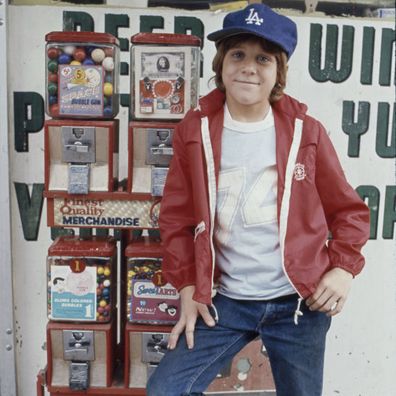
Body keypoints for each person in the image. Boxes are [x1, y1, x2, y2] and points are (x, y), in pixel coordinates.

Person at [147, 3, 370, 396]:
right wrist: (186, 290)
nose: (249, 66)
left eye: (263, 58)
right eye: (238, 54)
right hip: (225, 302)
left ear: (278, 72)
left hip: (297, 305)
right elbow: (177, 218)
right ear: (221, 65)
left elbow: (348, 211)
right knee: (166, 389)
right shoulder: (194, 130)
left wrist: (344, 270)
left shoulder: (307, 133)